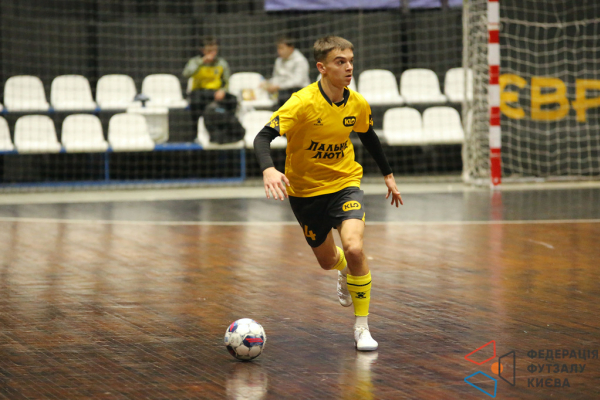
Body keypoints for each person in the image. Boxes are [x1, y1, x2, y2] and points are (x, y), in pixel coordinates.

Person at [253, 36, 403, 351]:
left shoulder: (357, 102)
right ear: (322, 67)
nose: (348, 67)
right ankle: (343, 270)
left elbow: (368, 135)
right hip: (305, 192)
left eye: (350, 61)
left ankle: (362, 327)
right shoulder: (302, 102)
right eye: (340, 62)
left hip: (345, 183)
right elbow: (262, 137)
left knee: (354, 248)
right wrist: (269, 169)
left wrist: (388, 175)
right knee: (327, 261)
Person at [182, 36, 238, 124]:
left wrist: (223, 90)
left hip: (215, 92)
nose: (212, 53)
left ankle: (229, 124)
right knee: (195, 102)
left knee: (232, 99)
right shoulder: (195, 61)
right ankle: (195, 129)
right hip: (199, 91)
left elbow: (226, 81)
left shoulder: (221, 63)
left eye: (214, 50)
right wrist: (202, 61)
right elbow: (186, 74)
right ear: (203, 50)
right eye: (209, 51)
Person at [263, 37, 311, 108]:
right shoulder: (279, 61)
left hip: (299, 92)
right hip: (282, 93)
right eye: (278, 48)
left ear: (291, 48)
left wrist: (279, 86)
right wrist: (268, 83)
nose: (279, 51)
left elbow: (298, 81)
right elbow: (276, 77)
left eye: (282, 48)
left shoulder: (300, 60)